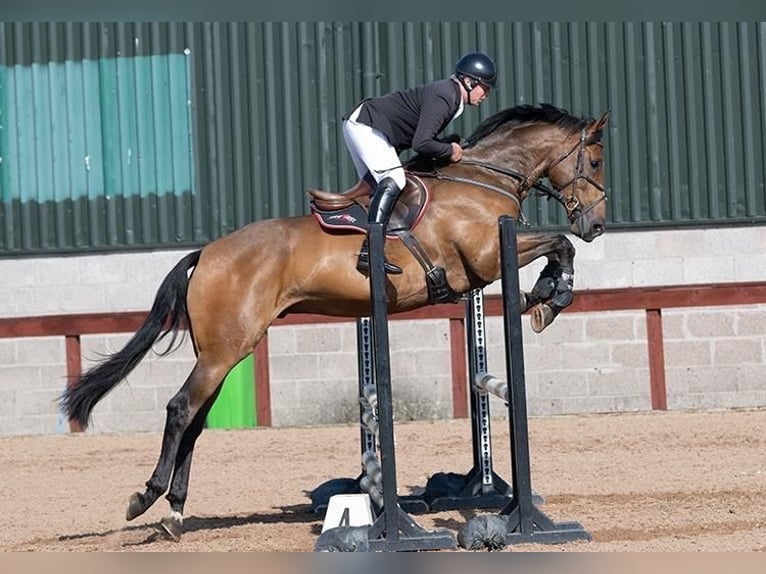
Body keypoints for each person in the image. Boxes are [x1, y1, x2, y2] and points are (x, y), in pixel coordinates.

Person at [342, 51, 497, 275]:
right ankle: (371, 252)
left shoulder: (451, 97)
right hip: (366, 126)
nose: (486, 95)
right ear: (470, 81)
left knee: (375, 191)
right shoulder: (446, 96)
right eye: (486, 87)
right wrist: (450, 150)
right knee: (394, 179)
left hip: (367, 126)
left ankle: (356, 249)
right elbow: (422, 143)